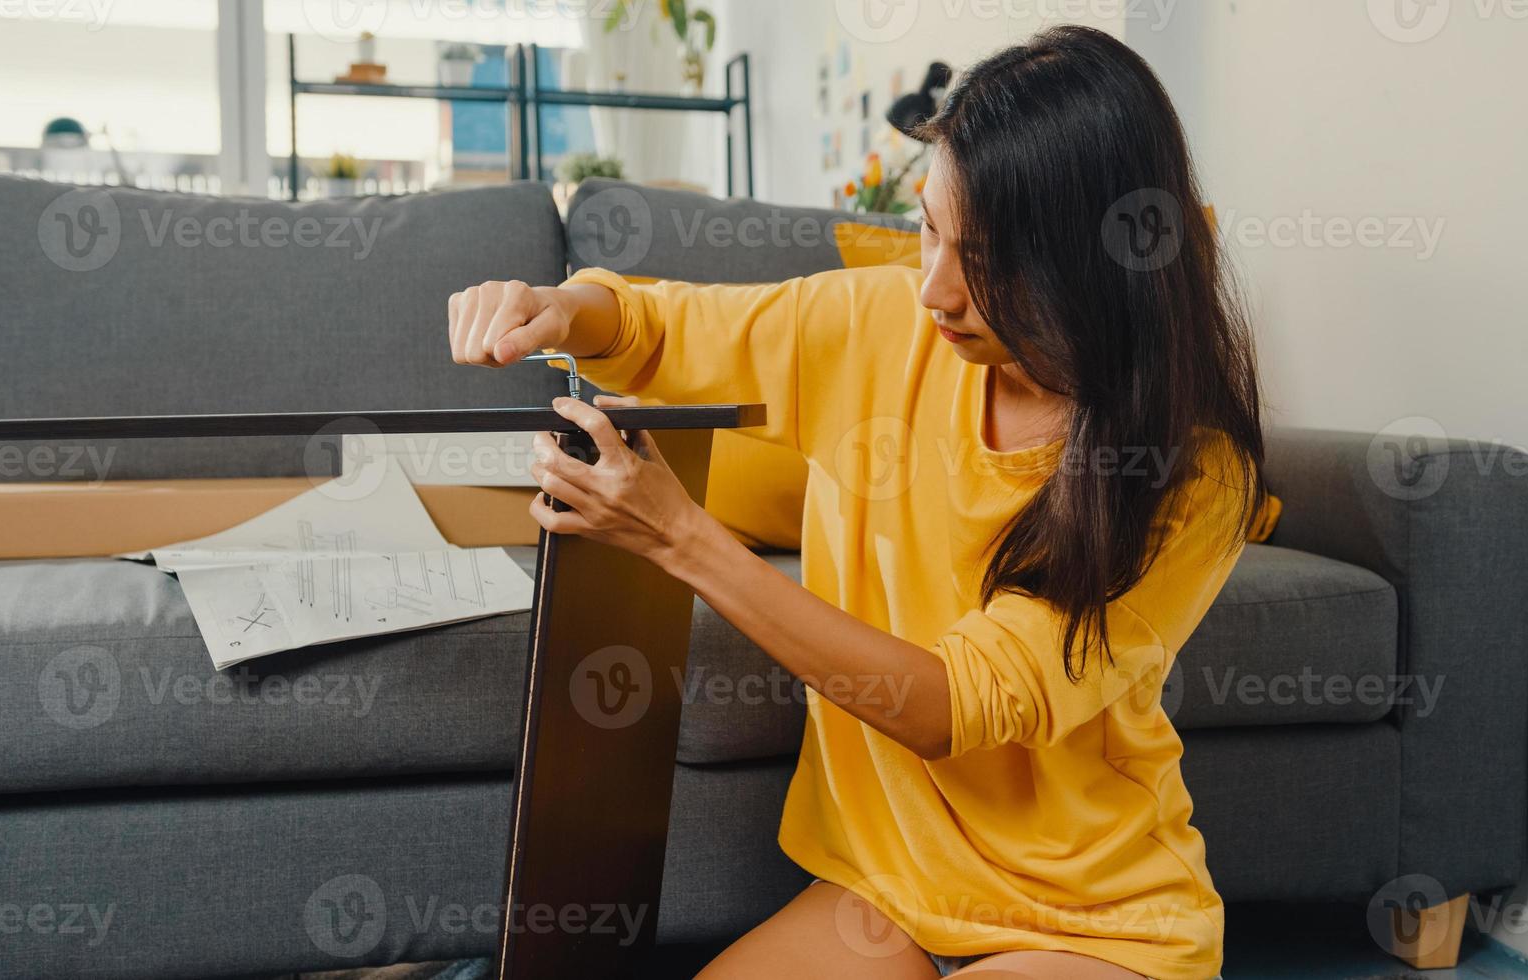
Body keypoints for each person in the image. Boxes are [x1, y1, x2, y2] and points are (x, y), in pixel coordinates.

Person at [445, 25, 1263, 980]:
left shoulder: (1195, 474)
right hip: (887, 891)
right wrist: (556, 306)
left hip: (1090, 924)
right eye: (930, 228)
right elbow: (658, 326)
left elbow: (952, 704)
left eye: (988, 257)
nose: (935, 290)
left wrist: (679, 536)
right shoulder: (876, 322)